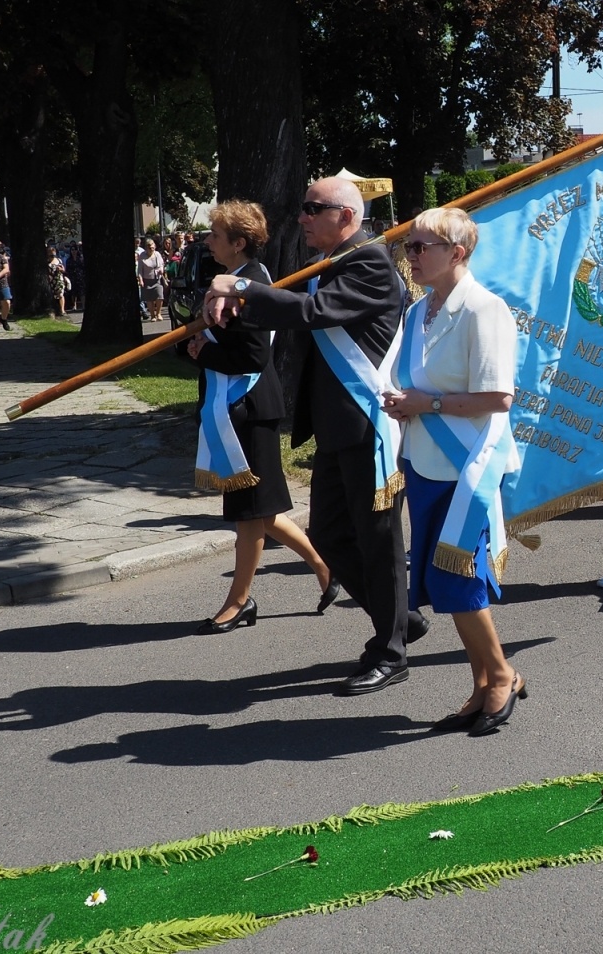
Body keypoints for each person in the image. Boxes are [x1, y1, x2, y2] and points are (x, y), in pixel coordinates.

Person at [206, 176, 427, 697]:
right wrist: (230, 298)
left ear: (345, 216)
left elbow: (311, 314)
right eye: (303, 208)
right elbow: (287, 306)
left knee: (379, 544)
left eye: (313, 208)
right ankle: (399, 618)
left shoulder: (368, 263)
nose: (301, 217)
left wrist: (239, 287)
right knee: (328, 534)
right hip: (335, 428)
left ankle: (389, 651)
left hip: (367, 427)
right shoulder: (334, 263)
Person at [380, 207, 525, 735]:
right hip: (425, 463)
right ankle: (485, 680)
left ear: (456, 253)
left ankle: (502, 675)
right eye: (409, 247)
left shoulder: (485, 310)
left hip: (468, 465)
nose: (410, 257)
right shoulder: (422, 309)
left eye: (420, 247)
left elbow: (497, 397)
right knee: (447, 583)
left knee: (458, 578)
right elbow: (414, 380)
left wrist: (427, 404)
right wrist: (405, 403)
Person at [184, 200, 337, 634]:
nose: (209, 241)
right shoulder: (235, 280)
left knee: (248, 512)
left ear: (239, 243)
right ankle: (325, 567)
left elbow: (253, 355)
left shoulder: (249, 285)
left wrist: (204, 352)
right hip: (240, 407)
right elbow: (207, 336)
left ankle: (238, 601)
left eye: (215, 235)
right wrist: (193, 347)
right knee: (261, 510)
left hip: (250, 407)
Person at [137, 237, 166, 322]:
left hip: (157, 279)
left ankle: (158, 313)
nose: (151, 247)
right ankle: (153, 315)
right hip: (147, 280)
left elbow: (162, 265)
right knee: (149, 299)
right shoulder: (142, 256)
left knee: (160, 296)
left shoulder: (157, 254)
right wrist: (141, 280)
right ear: (146, 247)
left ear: (155, 246)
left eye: (152, 245)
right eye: (149, 246)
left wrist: (161, 269)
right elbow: (140, 270)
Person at [46, 244, 68, 318]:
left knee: (61, 294)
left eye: (53, 254)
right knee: (53, 296)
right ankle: (54, 310)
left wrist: (61, 270)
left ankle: (62, 310)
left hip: (59, 280)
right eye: (50, 254)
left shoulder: (59, 260)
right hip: (51, 281)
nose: (52, 255)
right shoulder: (47, 262)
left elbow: (64, 270)